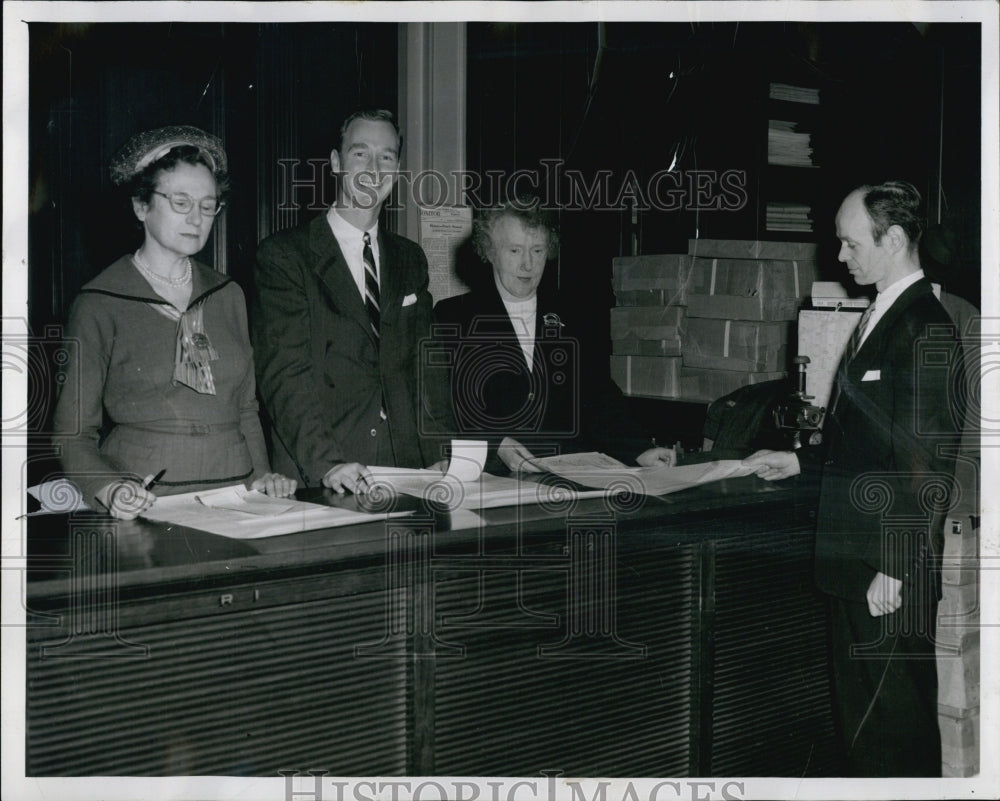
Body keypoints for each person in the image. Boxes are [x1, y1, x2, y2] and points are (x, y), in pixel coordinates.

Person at [743, 180, 963, 776]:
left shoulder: (924, 328)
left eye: (848, 243)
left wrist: (895, 564)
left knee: (894, 734)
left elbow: (928, 463)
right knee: (869, 730)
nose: (839, 256)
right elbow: (868, 442)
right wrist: (800, 461)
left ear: (892, 239)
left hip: (886, 571)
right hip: (860, 564)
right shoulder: (882, 315)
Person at [52, 125, 296, 519]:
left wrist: (262, 476)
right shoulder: (99, 302)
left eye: (207, 204)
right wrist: (109, 488)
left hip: (235, 496)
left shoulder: (228, 293)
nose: (196, 218)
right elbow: (72, 435)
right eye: (180, 202)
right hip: (145, 500)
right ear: (141, 206)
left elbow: (246, 408)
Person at [253, 109, 451, 494]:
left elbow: (427, 368)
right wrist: (327, 463)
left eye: (387, 156)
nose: (374, 168)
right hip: (325, 468)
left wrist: (441, 452)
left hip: (406, 465)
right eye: (361, 153)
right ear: (336, 162)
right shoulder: (285, 256)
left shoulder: (410, 258)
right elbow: (285, 375)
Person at [431, 196, 675, 475]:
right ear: (489, 251)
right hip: (496, 477)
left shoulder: (574, 315)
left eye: (537, 250)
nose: (528, 265)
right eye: (514, 251)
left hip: (571, 476)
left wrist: (639, 449)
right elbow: (445, 405)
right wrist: (493, 442)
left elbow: (600, 398)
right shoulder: (453, 317)